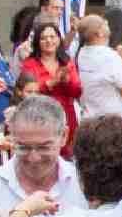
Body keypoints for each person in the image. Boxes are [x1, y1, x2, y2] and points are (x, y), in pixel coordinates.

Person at [13, 20, 82, 148]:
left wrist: (67, 81)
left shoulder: (67, 62)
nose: (49, 41)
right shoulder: (30, 63)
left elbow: (78, 91)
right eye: (43, 38)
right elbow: (28, 90)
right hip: (40, 116)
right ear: (37, 42)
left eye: (52, 37)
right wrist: (52, 82)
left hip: (66, 116)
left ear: (59, 39)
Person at [74, 14, 122, 123]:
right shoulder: (109, 57)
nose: (107, 24)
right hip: (115, 124)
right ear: (99, 33)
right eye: (104, 23)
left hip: (92, 120)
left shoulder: (83, 52)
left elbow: (113, 64)